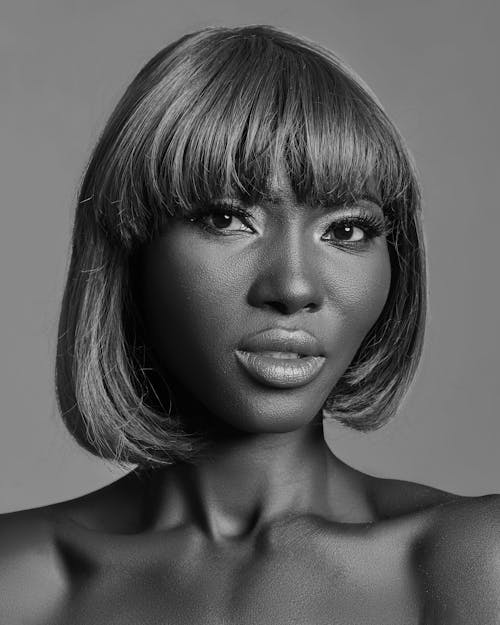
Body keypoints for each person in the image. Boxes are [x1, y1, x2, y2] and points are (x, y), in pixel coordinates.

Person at [0, 24, 498, 625]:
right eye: (227, 218)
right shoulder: (22, 578)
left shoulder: (471, 560)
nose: (293, 287)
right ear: (131, 252)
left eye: (346, 230)